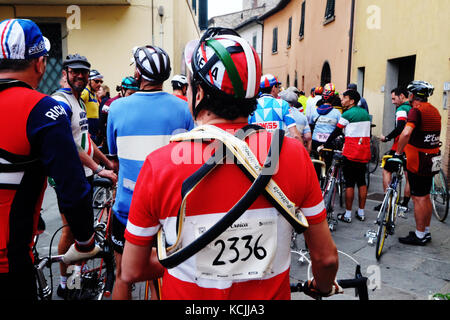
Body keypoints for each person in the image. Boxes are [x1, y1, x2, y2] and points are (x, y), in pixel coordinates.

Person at [120, 27, 339, 300]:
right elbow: (326, 258)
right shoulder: (292, 154)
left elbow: (130, 270)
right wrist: (323, 287)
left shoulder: (160, 164)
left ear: (198, 93)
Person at [0, 18, 100, 300]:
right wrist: (84, 240)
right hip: (9, 262)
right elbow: (73, 188)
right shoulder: (43, 109)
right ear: (40, 63)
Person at [107, 44, 194, 299]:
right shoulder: (183, 108)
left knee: (123, 275)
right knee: (162, 274)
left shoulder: (117, 108)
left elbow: (114, 154)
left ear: (137, 74)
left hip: (128, 207)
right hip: (170, 206)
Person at [51, 54, 117, 299]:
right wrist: (100, 169)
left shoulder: (78, 100)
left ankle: (74, 284)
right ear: (66, 72)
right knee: (72, 231)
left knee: (82, 233)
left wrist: (105, 161)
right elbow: (69, 143)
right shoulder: (61, 101)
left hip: (85, 174)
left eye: (84, 72)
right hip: (70, 177)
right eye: (75, 71)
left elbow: (85, 138)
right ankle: (65, 284)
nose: (80, 76)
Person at [395, 80, 441, 246]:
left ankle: (420, 235)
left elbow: (406, 133)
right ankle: (425, 231)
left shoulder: (416, 111)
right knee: (425, 196)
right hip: (431, 160)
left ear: (412, 95)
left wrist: (398, 152)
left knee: (418, 198)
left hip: (418, 161)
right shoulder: (435, 111)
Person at [322, 89, 371, 223]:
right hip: (364, 151)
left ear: (352, 100)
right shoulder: (365, 113)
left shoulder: (348, 114)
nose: (342, 100)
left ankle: (348, 215)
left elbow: (337, 131)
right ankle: (361, 212)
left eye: (344, 98)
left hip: (351, 152)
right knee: (361, 182)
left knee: (349, 183)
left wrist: (326, 143)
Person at [374, 87, 412, 211]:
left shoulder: (401, 109)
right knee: (408, 176)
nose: (393, 102)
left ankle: (387, 202)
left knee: (386, 170)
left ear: (401, 96)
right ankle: (405, 205)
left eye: (394, 98)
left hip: (400, 147)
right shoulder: (413, 108)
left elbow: (400, 127)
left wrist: (387, 137)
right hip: (412, 148)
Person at [249, 74, 302, 141]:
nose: (279, 89)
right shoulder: (283, 104)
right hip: (277, 149)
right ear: (273, 88)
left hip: (256, 148)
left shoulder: (252, 105)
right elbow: (295, 135)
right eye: (278, 87)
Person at [99, 76, 139, 154]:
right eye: (130, 93)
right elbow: (101, 123)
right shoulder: (110, 103)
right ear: (123, 90)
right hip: (113, 142)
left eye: (135, 94)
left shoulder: (135, 104)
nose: (132, 97)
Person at [309, 83, 342, 171]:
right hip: (329, 141)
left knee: (316, 162)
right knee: (328, 163)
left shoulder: (315, 111)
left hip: (316, 140)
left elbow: (311, 123)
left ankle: (317, 180)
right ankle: (326, 181)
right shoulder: (337, 113)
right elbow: (340, 127)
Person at [81, 69, 103, 145]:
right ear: (88, 81)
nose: (99, 84)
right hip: (88, 131)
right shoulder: (85, 92)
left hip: (94, 131)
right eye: (97, 81)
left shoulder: (94, 94)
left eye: (101, 82)